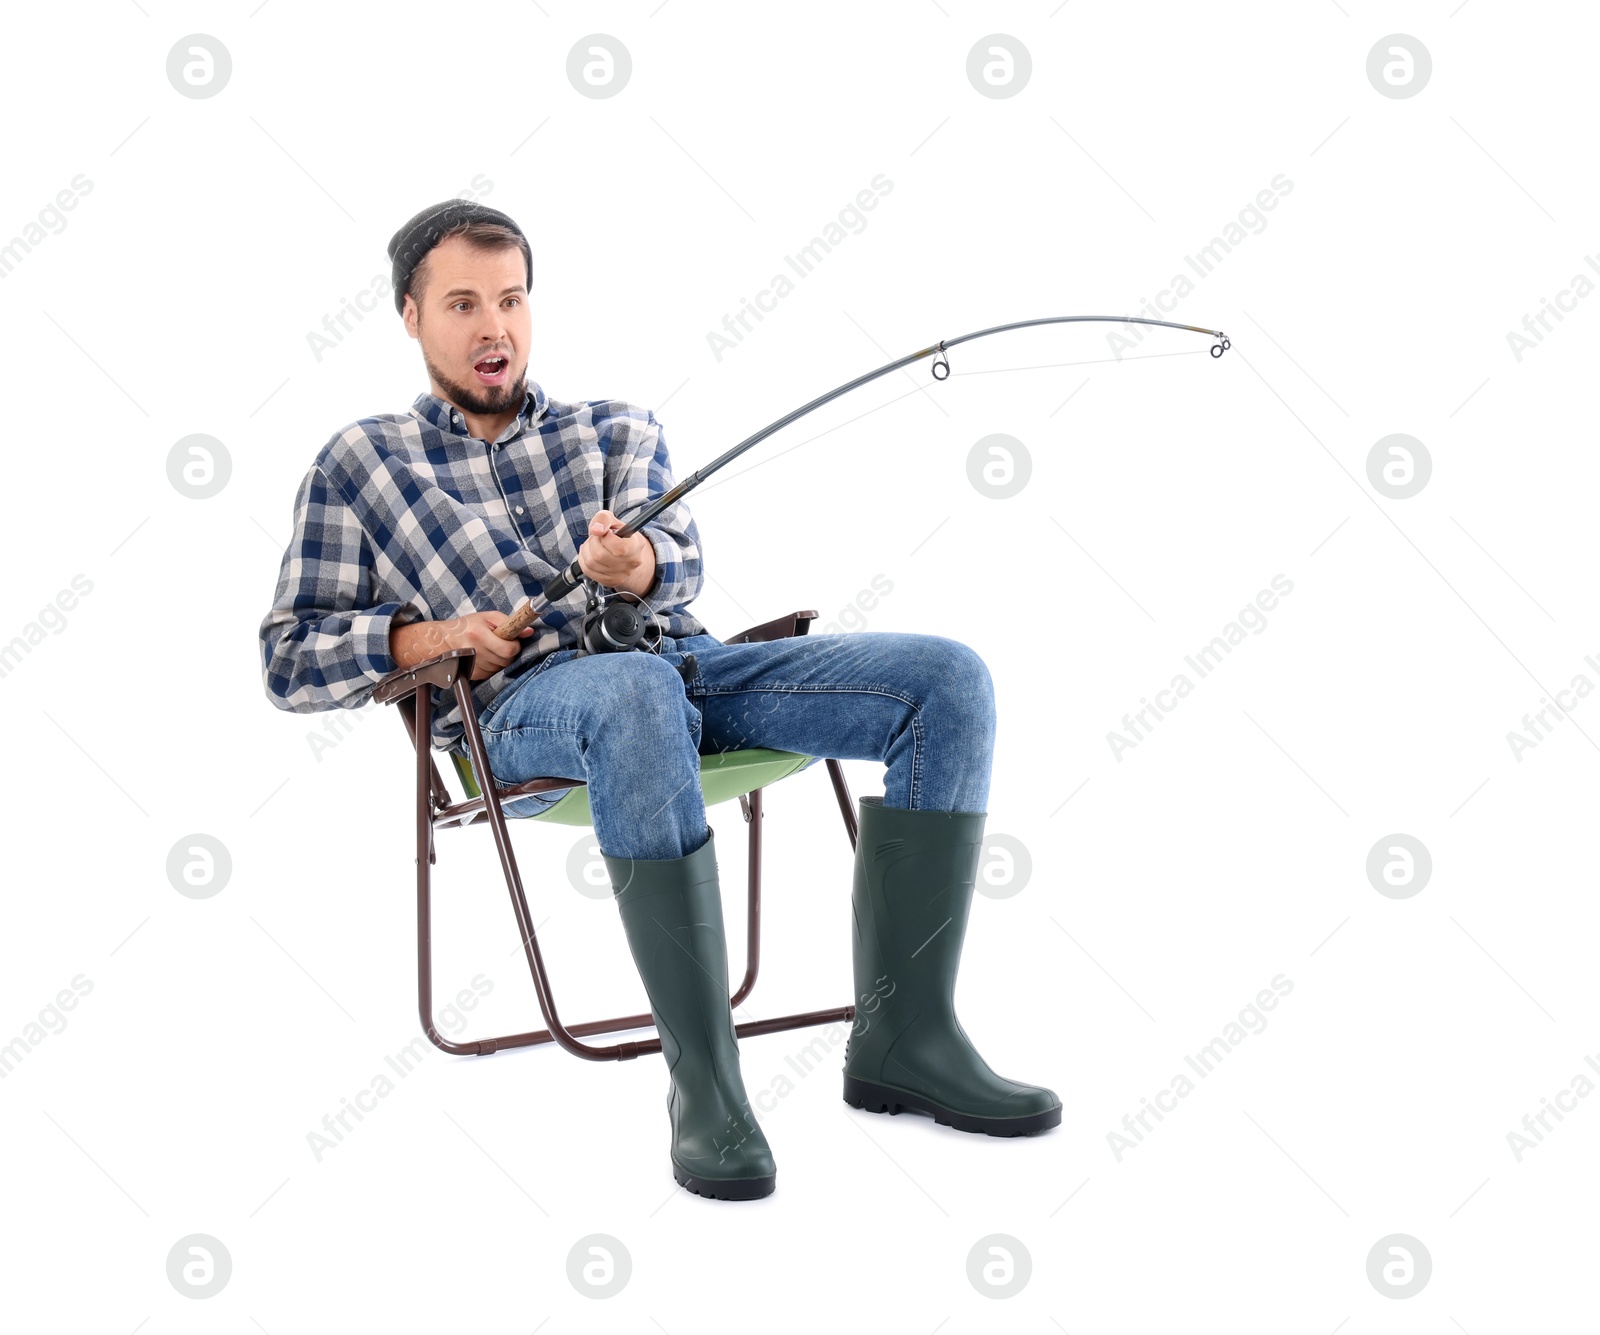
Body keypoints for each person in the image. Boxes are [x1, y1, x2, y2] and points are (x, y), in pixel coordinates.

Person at [258, 200, 1060, 1202]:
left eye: (509, 299)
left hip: (690, 671)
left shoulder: (619, 428)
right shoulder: (360, 467)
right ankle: (706, 1090)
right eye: (461, 303)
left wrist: (636, 567)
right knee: (634, 692)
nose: (492, 327)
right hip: (520, 716)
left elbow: (678, 568)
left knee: (946, 679)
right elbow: (289, 659)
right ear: (410, 317)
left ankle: (907, 1037)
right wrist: (436, 637)